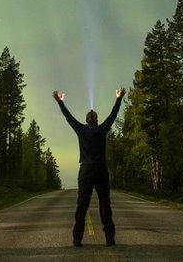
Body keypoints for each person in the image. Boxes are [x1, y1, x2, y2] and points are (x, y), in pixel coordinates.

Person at [52, 87, 126, 247]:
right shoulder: (102, 129)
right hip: (101, 170)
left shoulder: (81, 129)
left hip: (85, 170)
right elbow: (113, 115)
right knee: (105, 203)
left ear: (86, 120)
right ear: (97, 120)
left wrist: (60, 102)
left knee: (82, 205)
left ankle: (77, 239)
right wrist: (119, 98)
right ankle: (109, 238)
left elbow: (68, 117)